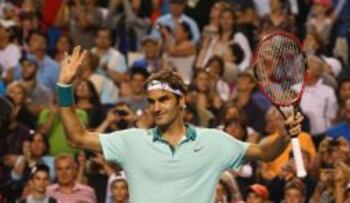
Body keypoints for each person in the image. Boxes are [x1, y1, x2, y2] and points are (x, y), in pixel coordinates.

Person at [56, 46, 303, 203]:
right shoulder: (132, 141)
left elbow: (264, 152)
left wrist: (283, 136)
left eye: (163, 99)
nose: (156, 107)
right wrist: (65, 88)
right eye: (151, 102)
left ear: (182, 100)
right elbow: (76, 138)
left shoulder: (214, 142)